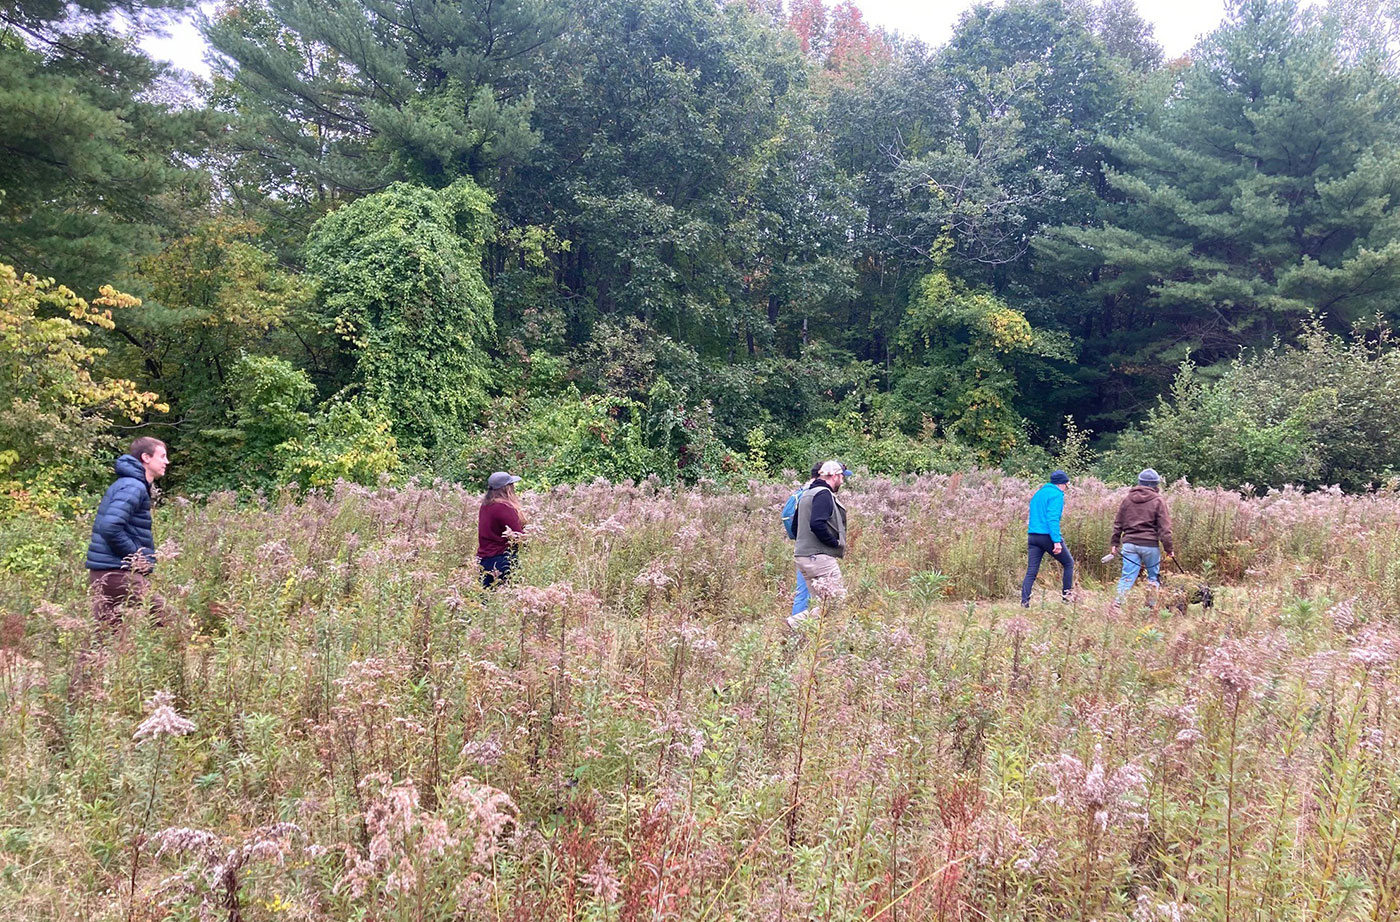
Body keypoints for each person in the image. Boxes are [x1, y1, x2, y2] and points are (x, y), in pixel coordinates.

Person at [85, 437, 171, 626]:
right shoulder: (133, 486)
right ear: (146, 458)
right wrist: (137, 557)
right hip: (116, 573)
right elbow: (110, 527)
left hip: (104, 572)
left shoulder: (131, 484)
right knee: (170, 621)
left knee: (104, 637)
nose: (167, 462)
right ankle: (184, 655)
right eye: (162, 456)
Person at [791, 460, 852, 623]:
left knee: (820, 604)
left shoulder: (806, 494)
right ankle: (795, 623)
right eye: (841, 476)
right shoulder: (823, 494)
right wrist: (833, 543)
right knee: (836, 601)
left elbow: (794, 526)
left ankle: (812, 642)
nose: (842, 480)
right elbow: (817, 523)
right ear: (834, 476)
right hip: (819, 558)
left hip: (803, 557)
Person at [1108, 468, 1174, 605]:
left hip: (1129, 544)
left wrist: (1114, 544)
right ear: (1156, 485)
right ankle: (1150, 607)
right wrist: (1169, 549)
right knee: (1153, 577)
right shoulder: (1158, 500)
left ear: (1139, 482)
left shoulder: (1127, 500)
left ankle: (1117, 605)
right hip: (1150, 545)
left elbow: (1118, 523)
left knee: (1127, 577)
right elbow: (1165, 528)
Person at [1022, 470, 1073, 607]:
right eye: (1066, 485)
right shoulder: (1057, 495)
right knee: (1068, 563)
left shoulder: (1038, 494)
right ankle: (1066, 599)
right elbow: (1052, 519)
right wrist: (1056, 541)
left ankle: (1024, 602)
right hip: (1047, 536)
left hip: (1033, 536)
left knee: (1031, 571)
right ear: (1062, 484)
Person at [786, 463, 824, 630]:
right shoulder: (814, 494)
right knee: (827, 594)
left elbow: (794, 526)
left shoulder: (801, 491)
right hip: (814, 550)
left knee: (804, 592)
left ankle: (798, 629)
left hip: (802, 548)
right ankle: (797, 627)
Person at [478, 471, 525, 588]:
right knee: (509, 598)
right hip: (503, 560)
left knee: (486, 601)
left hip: (484, 560)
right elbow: (518, 536)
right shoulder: (504, 507)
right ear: (507, 489)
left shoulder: (485, 506)